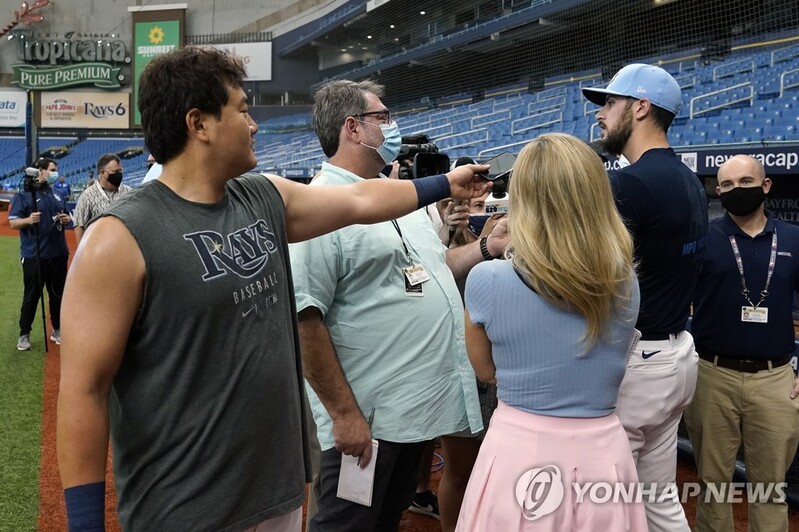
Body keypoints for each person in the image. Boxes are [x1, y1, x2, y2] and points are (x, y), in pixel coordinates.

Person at [55, 47, 490, 532]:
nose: (254, 123)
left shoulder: (263, 195)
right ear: (198, 124)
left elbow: (361, 198)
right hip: (186, 504)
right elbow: (84, 390)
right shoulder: (117, 238)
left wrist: (446, 182)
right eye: (242, 110)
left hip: (276, 488)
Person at [291, 79, 506, 532]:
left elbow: (434, 266)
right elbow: (304, 318)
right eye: (382, 118)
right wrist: (345, 417)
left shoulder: (398, 199)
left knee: (384, 520)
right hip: (367, 423)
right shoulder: (319, 206)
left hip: (413, 416)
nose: (392, 127)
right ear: (352, 128)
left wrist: (486, 247)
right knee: (345, 525)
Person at [458, 133, 645, 531]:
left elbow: (486, 371)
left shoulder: (487, 279)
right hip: (604, 456)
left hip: (518, 453)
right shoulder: (626, 280)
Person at [582, 63, 708, 532]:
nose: (600, 115)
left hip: (638, 365)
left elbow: (582, 274)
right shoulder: (689, 179)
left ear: (640, 107)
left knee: (604, 505)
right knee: (659, 505)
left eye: (610, 103)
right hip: (675, 357)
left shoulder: (629, 184)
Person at [684, 154, 799, 532]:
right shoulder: (703, 239)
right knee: (713, 485)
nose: (737, 190)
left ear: (766, 186)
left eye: (746, 182)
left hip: (775, 379)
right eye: (728, 185)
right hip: (712, 375)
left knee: (770, 487)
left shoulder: (794, 239)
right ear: (718, 191)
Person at [8, 157, 71, 350]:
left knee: (58, 295)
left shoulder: (58, 194)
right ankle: (24, 334)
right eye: (52, 169)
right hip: (34, 255)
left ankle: (58, 329)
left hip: (58, 253)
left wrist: (65, 218)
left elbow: (69, 218)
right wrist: (28, 220)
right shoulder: (23, 195)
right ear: (40, 171)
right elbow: (13, 222)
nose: (55, 173)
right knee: (32, 295)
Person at [72, 153, 132, 245]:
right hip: (99, 251)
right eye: (115, 172)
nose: (119, 175)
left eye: (120, 171)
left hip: (125, 249)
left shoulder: (129, 192)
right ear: (102, 173)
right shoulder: (87, 196)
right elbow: (80, 226)